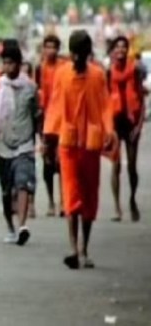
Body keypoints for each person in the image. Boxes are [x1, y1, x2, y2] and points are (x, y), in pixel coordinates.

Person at [44, 31, 114, 269]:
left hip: (91, 144)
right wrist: (48, 139)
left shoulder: (98, 75)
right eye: (74, 54)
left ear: (87, 54)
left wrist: (109, 132)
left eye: (81, 55)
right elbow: (54, 105)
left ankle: (85, 247)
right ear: (71, 53)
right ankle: (74, 248)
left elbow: (105, 106)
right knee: (71, 195)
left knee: (89, 197)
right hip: (68, 142)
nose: (76, 59)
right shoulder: (62, 75)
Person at [0, 40, 40, 245]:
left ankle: (23, 225)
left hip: (24, 144)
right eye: (5, 63)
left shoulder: (30, 87)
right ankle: (10, 227)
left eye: (11, 63)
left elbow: (36, 115)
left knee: (23, 183)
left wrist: (40, 139)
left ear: (19, 64)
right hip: (3, 146)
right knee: (7, 191)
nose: (8, 67)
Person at [107, 36, 145, 222]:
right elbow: (105, 101)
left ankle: (132, 200)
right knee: (115, 167)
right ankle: (116, 208)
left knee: (131, 167)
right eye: (117, 47)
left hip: (131, 122)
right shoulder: (108, 72)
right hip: (115, 123)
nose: (120, 50)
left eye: (123, 47)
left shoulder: (135, 70)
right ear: (113, 51)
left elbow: (141, 98)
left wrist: (139, 126)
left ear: (127, 50)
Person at [36, 35, 65, 217]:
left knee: (62, 162)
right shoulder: (40, 68)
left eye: (53, 47)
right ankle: (51, 202)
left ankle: (63, 201)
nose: (51, 51)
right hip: (46, 120)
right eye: (47, 47)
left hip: (61, 120)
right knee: (47, 163)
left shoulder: (63, 67)